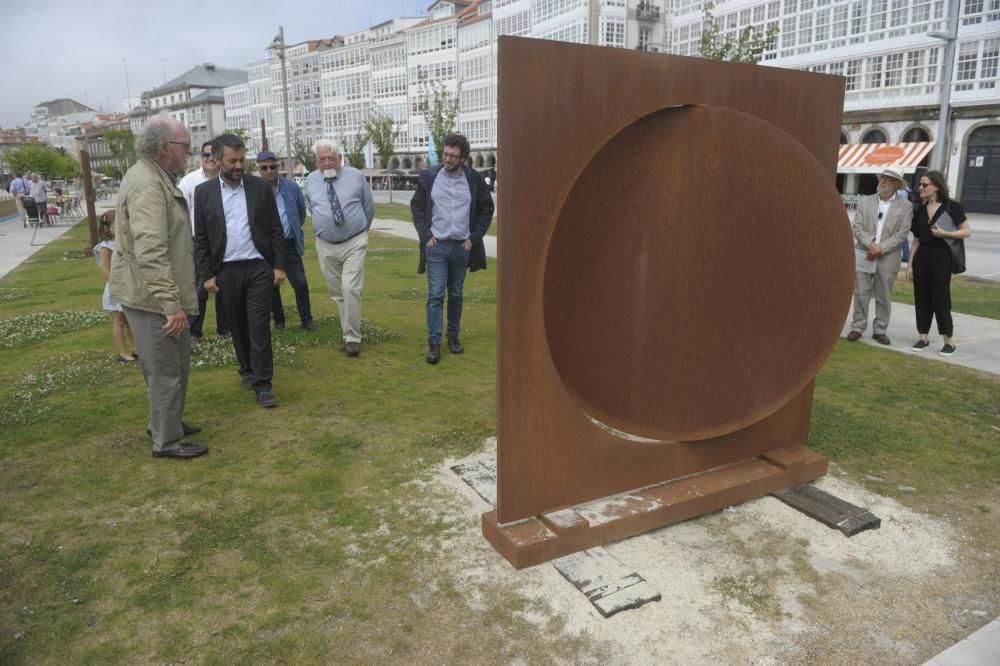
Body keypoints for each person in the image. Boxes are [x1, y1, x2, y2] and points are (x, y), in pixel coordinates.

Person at [109, 115, 206, 459]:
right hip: (151, 297)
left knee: (175, 363)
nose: (189, 152)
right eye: (185, 146)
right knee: (165, 369)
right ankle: (167, 442)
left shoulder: (155, 176)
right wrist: (171, 304)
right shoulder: (149, 184)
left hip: (155, 292)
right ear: (165, 147)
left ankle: (167, 423)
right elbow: (150, 249)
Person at [194, 134, 287, 408]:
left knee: (259, 325)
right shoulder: (204, 193)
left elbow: (275, 229)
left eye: (242, 160)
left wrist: (279, 265)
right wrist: (207, 274)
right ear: (217, 160)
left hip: (258, 266)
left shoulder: (259, 188)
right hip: (226, 270)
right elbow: (201, 238)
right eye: (232, 160)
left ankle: (264, 384)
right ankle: (246, 369)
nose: (238, 165)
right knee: (237, 325)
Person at [411, 132, 495, 364]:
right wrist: (425, 236)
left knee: (456, 294)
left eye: (453, 156)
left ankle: (453, 337)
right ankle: (434, 342)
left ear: (463, 158)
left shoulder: (473, 180)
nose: (448, 159)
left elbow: (487, 209)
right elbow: (417, 207)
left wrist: (473, 239)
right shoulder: (429, 176)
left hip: (461, 247)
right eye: (446, 154)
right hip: (436, 246)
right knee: (436, 294)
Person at [303, 139, 374, 357]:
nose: (327, 163)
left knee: (350, 288)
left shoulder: (355, 176)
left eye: (331, 158)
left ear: (340, 158)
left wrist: (361, 230)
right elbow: (310, 208)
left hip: (354, 241)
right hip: (325, 245)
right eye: (322, 159)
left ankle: (353, 338)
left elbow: (368, 206)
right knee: (338, 293)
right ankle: (347, 334)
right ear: (316, 162)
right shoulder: (310, 181)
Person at [906, 170, 972, 357]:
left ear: (936, 186)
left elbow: (966, 231)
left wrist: (946, 234)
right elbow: (917, 239)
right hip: (922, 257)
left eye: (925, 185)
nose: (921, 188)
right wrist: (910, 265)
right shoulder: (919, 210)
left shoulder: (953, 207)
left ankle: (948, 341)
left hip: (942, 258)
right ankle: (923, 337)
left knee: (941, 299)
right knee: (922, 298)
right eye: (920, 185)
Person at [846, 165, 913, 346]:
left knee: (884, 294)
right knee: (861, 292)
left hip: (888, 256)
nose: (883, 181)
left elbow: (902, 234)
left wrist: (880, 248)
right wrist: (870, 244)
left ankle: (880, 330)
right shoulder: (865, 201)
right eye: (882, 177)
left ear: (897, 185)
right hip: (864, 252)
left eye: (889, 179)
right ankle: (858, 327)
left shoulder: (905, 206)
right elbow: (857, 226)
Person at [256, 150, 316, 331]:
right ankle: (279, 321)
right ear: (258, 169)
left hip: (289, 244)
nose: (269, 171)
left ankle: (306, 320)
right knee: (271, 285)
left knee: (300, 283)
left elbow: (300, 214)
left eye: (272, 167)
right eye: (264, 167)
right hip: (266, 247)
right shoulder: (254, 190)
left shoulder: (291, 187)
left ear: (278, 166)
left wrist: (292, 230)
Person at [178, 140, 230, 344]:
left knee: (225, 286)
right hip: (197, 242)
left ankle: (225, 329)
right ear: (201, 158)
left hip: (224, 242)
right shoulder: (189, 181)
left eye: (213, 155)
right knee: (199, 288)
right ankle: (194, 332)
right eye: (206, 155)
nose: (209, 159)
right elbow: (180, 213)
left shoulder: (229, 181)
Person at [94, 211, 138, 363]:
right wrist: (117, 282)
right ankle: (122, 352)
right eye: (115, 225)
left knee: (130, 320)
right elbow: (104, 270)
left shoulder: (125, 243)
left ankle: (135, 348)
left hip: (128, 286)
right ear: (107, 228)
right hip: (116, 288)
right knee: (119, 321)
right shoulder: (106, 247)